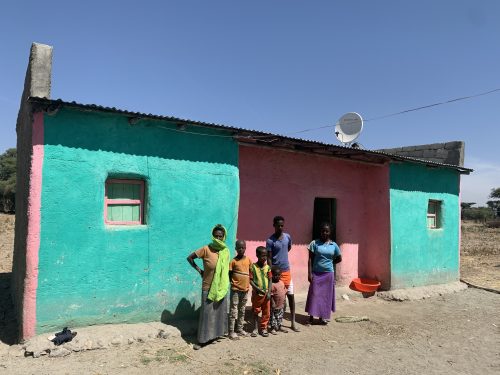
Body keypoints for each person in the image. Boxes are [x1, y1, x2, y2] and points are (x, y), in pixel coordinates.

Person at [186, 224, 230, 349]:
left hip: (221, 287)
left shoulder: (225, 251)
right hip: (208, 286)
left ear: (223, 237)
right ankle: (202, 340)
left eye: (220, 236)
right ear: (212, 236)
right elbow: (189, 258)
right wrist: (199, 270)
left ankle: (215, 335)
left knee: (218, 312)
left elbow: (225, 269)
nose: (218, 238)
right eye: (215, 236)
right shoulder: (206, 249)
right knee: (206, 314)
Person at [266, 216, 299, 332]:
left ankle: (293, 322)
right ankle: (274, 323)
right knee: (277, 298)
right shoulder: (270, 241)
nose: (280, 227)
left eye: (282, 225)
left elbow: (287, 248)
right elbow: (269, 258)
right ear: (274, 225)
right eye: (278, 225)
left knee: (291, 296)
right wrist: (272, 270)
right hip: (276, 274)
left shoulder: (287, 237)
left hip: (286, 271)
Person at [305, 222, 342, 325]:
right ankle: (311, 318)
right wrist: (309, 273)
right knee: (314, 295)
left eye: (327, 231)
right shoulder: (314, 243)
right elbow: (310, 259)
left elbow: (339, 258)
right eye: (322, 231)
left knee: (325, 297)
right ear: (320, 232)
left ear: (330, 232)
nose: (324, 233)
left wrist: (330, 263)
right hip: (316, 273)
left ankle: (322, 317)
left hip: (328, 274)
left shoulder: (334, 245)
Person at [228, 239, 252, 340]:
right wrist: (233, 283)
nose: (241, 249)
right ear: (236, 249)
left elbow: (251, 272)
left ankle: (240, 329)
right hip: (235, 290)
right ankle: (231, 331)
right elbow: (229, 274)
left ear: (245, 248)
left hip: (245, 290)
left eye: (243, 248)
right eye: (239, 248)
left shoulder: (248, 260)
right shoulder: (233, 261)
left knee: (242, 311)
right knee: (234, 310)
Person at [249, 246, 272, 337]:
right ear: (257, 255)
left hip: (266, 294)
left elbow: (270, 280)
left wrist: (269, 292)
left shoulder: (268, 268)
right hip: (257, 294)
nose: (264, 258)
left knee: (266, 312)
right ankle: (255, 328)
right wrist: (257, 289)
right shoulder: (253, 267)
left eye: (266, 256)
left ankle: (263, 328)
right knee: (256, 311)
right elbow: (250, 280)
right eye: (262, 256)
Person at [269, 266, 288, 335]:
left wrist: (284, 301)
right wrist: (273, 302)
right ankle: (273, 328)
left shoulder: (282, 283)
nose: (277, 276)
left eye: (278, 275)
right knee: (273, 317)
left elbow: (284, 292)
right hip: (274, 306)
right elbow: (271, 295)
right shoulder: (272, 284)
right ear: (272, 275)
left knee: (280, 317)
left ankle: (279, 326)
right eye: (275, 275)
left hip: (281, 305)